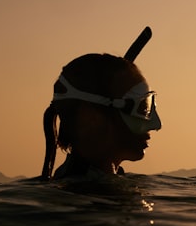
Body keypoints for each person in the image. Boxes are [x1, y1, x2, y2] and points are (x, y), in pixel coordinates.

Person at [40, 50, 162, 180]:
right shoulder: (89, 191)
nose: (156, 125)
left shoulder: (83, 181)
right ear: (92, 118)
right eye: (143, 108)